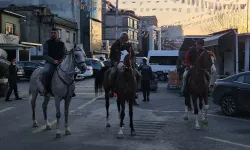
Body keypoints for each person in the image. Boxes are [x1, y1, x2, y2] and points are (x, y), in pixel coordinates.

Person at [41, 28, 75, 97]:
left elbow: (65, 53)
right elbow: (45, 55)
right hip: (50, 63)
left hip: (61, 63)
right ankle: (46, 90)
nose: (53, 34)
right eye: (52, 33)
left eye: (54, 33)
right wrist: (53, 61)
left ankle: (71, 90)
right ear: (50, 34)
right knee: (45, 72)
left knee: (71, 72)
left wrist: (62, 60)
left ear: (57, 34)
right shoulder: (46, 43)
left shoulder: (62, 44)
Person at [109, 32, 139, 106]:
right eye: (124, 39)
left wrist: (131, 60)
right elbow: (111, 57)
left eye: (126, 39)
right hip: (117, 64)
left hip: (128, 64)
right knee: (112, 74)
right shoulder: (114, 45)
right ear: (121, 38)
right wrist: (115, 62)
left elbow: (133, 55)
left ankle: (134, 92)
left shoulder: (129, 45)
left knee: (138, 75)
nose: (125, 41)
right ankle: (111, 90)